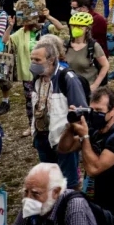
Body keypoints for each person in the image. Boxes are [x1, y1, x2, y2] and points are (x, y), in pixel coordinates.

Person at [57, 87, 114, 225]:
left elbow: (94, 169)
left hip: (113, 210)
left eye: (99, 111)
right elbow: (64, 148)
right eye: (92, 110)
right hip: (92, 204)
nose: (95, 115)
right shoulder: (95, 132)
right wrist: (71, 127)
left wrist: (84, 137)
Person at [31, 39, 87, 189]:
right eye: (32, 59)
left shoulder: (67, 78)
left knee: (69, 183)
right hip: (42, 138)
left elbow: (80, 111)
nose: (33, 63)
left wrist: (73, 137)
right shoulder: (37, 79)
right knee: (50, 182)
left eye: (37, 60)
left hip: (62, 140)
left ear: (51, 60)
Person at [11, 162, 98, 225]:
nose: (28, 199)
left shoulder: (75, 205)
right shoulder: (31, 200)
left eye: (35, 193)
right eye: (26, 192)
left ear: (56, 192)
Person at [65, 12, 109, 94]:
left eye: (80, 26)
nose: (76, 28)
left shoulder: (93, 46)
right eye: (73, 26)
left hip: (87, 90)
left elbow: (105, 65)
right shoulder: (65, 46)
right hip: (69, 89)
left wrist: (95, 85)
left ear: (87, 29)